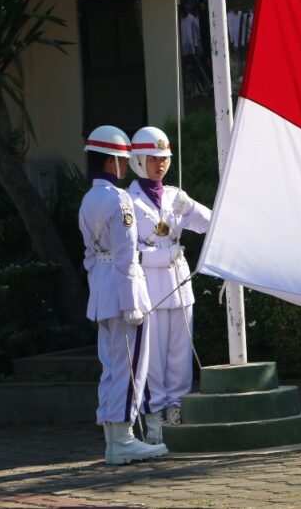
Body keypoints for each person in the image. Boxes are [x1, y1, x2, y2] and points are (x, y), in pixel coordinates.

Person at [78, 125, 167, 465]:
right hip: (124, 293)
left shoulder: (88, 199)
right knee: (130, 369)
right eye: (123, 159)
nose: (126, 165)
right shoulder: (119, 200)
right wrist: (132, 303)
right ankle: (124, 439)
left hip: (102, 293)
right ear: (113, 161)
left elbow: (90, 257)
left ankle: (113, 440)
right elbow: (127, 255)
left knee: (112, 367)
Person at [128, 126, 212, 442]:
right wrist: (155, 257)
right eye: (152, 158)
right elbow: (127, 251)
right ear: (138, 161)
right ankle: (154, 417)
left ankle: (177, 411)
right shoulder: (129, 201)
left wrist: (189, 208)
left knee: (179, 356)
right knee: (153, 359)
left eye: (163, 158)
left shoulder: (176, 196)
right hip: (149, 287)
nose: (160, 164)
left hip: (178, 284)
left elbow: (208, 222)